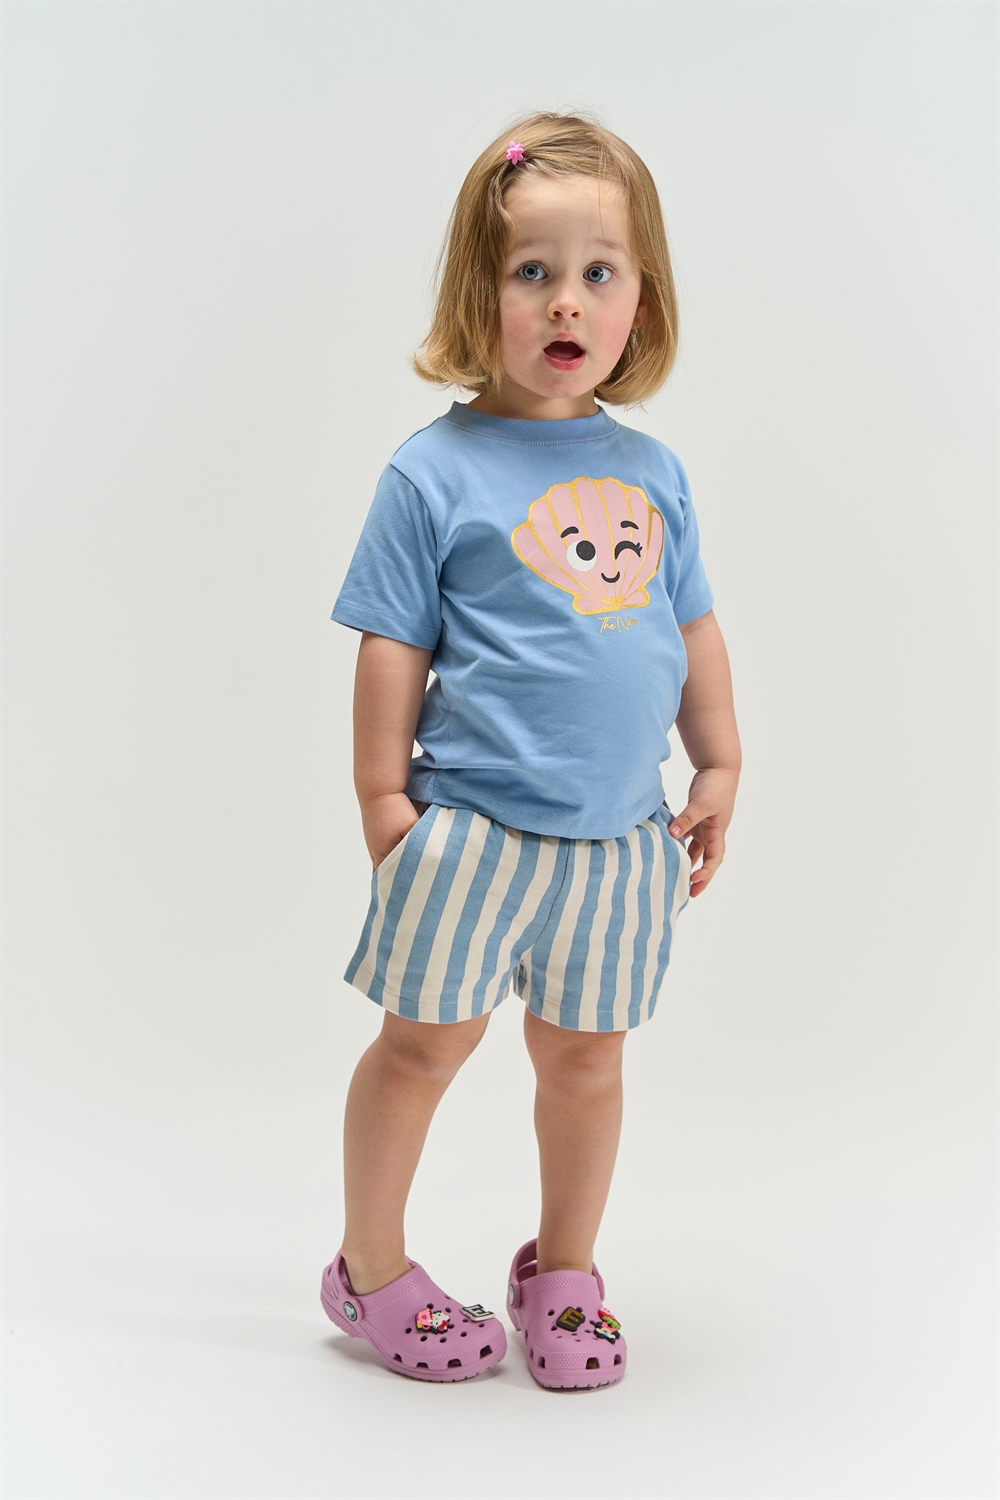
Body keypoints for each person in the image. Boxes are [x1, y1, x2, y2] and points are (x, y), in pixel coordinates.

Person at [320, 113, 741, 1390]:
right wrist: (382, 798)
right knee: (421, 1049)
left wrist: (717, 764)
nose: (566, 300)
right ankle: (371, 1269)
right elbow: (392, 641)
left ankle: (563, 1273)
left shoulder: (654, 472)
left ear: (639, 299)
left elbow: (690, 626)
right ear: (478, 292)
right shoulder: (432, 474)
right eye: (531, 271)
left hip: (620, 842)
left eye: (597, 272)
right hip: (469, 835)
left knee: (586, 1062)